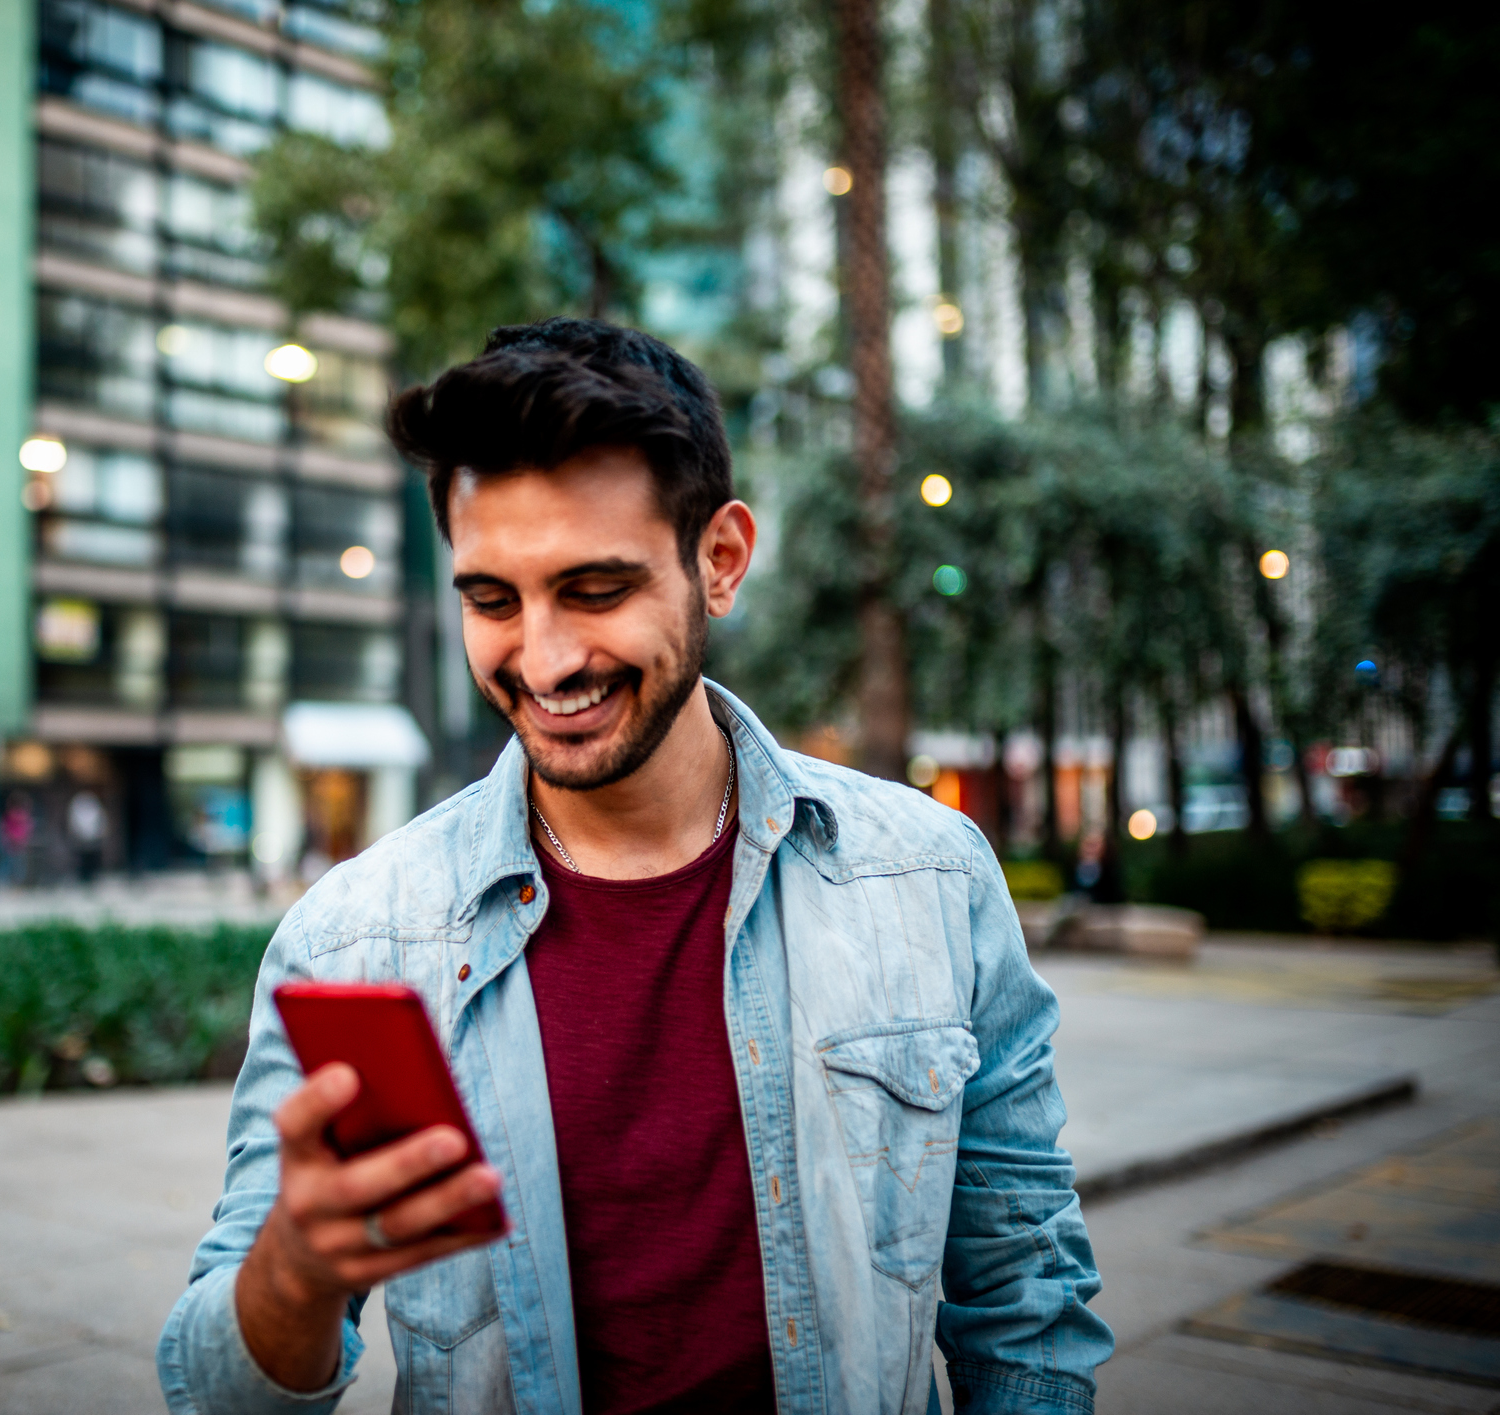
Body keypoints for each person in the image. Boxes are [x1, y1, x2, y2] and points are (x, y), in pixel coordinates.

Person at [158, 319, 1111, 1414]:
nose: (546, 657)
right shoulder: (353, 939)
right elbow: (210, 1391)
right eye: (492, 599)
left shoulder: (930, 877)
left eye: (595, 588)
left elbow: (1024, 1300)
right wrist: (298, 1265)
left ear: (719, 560)